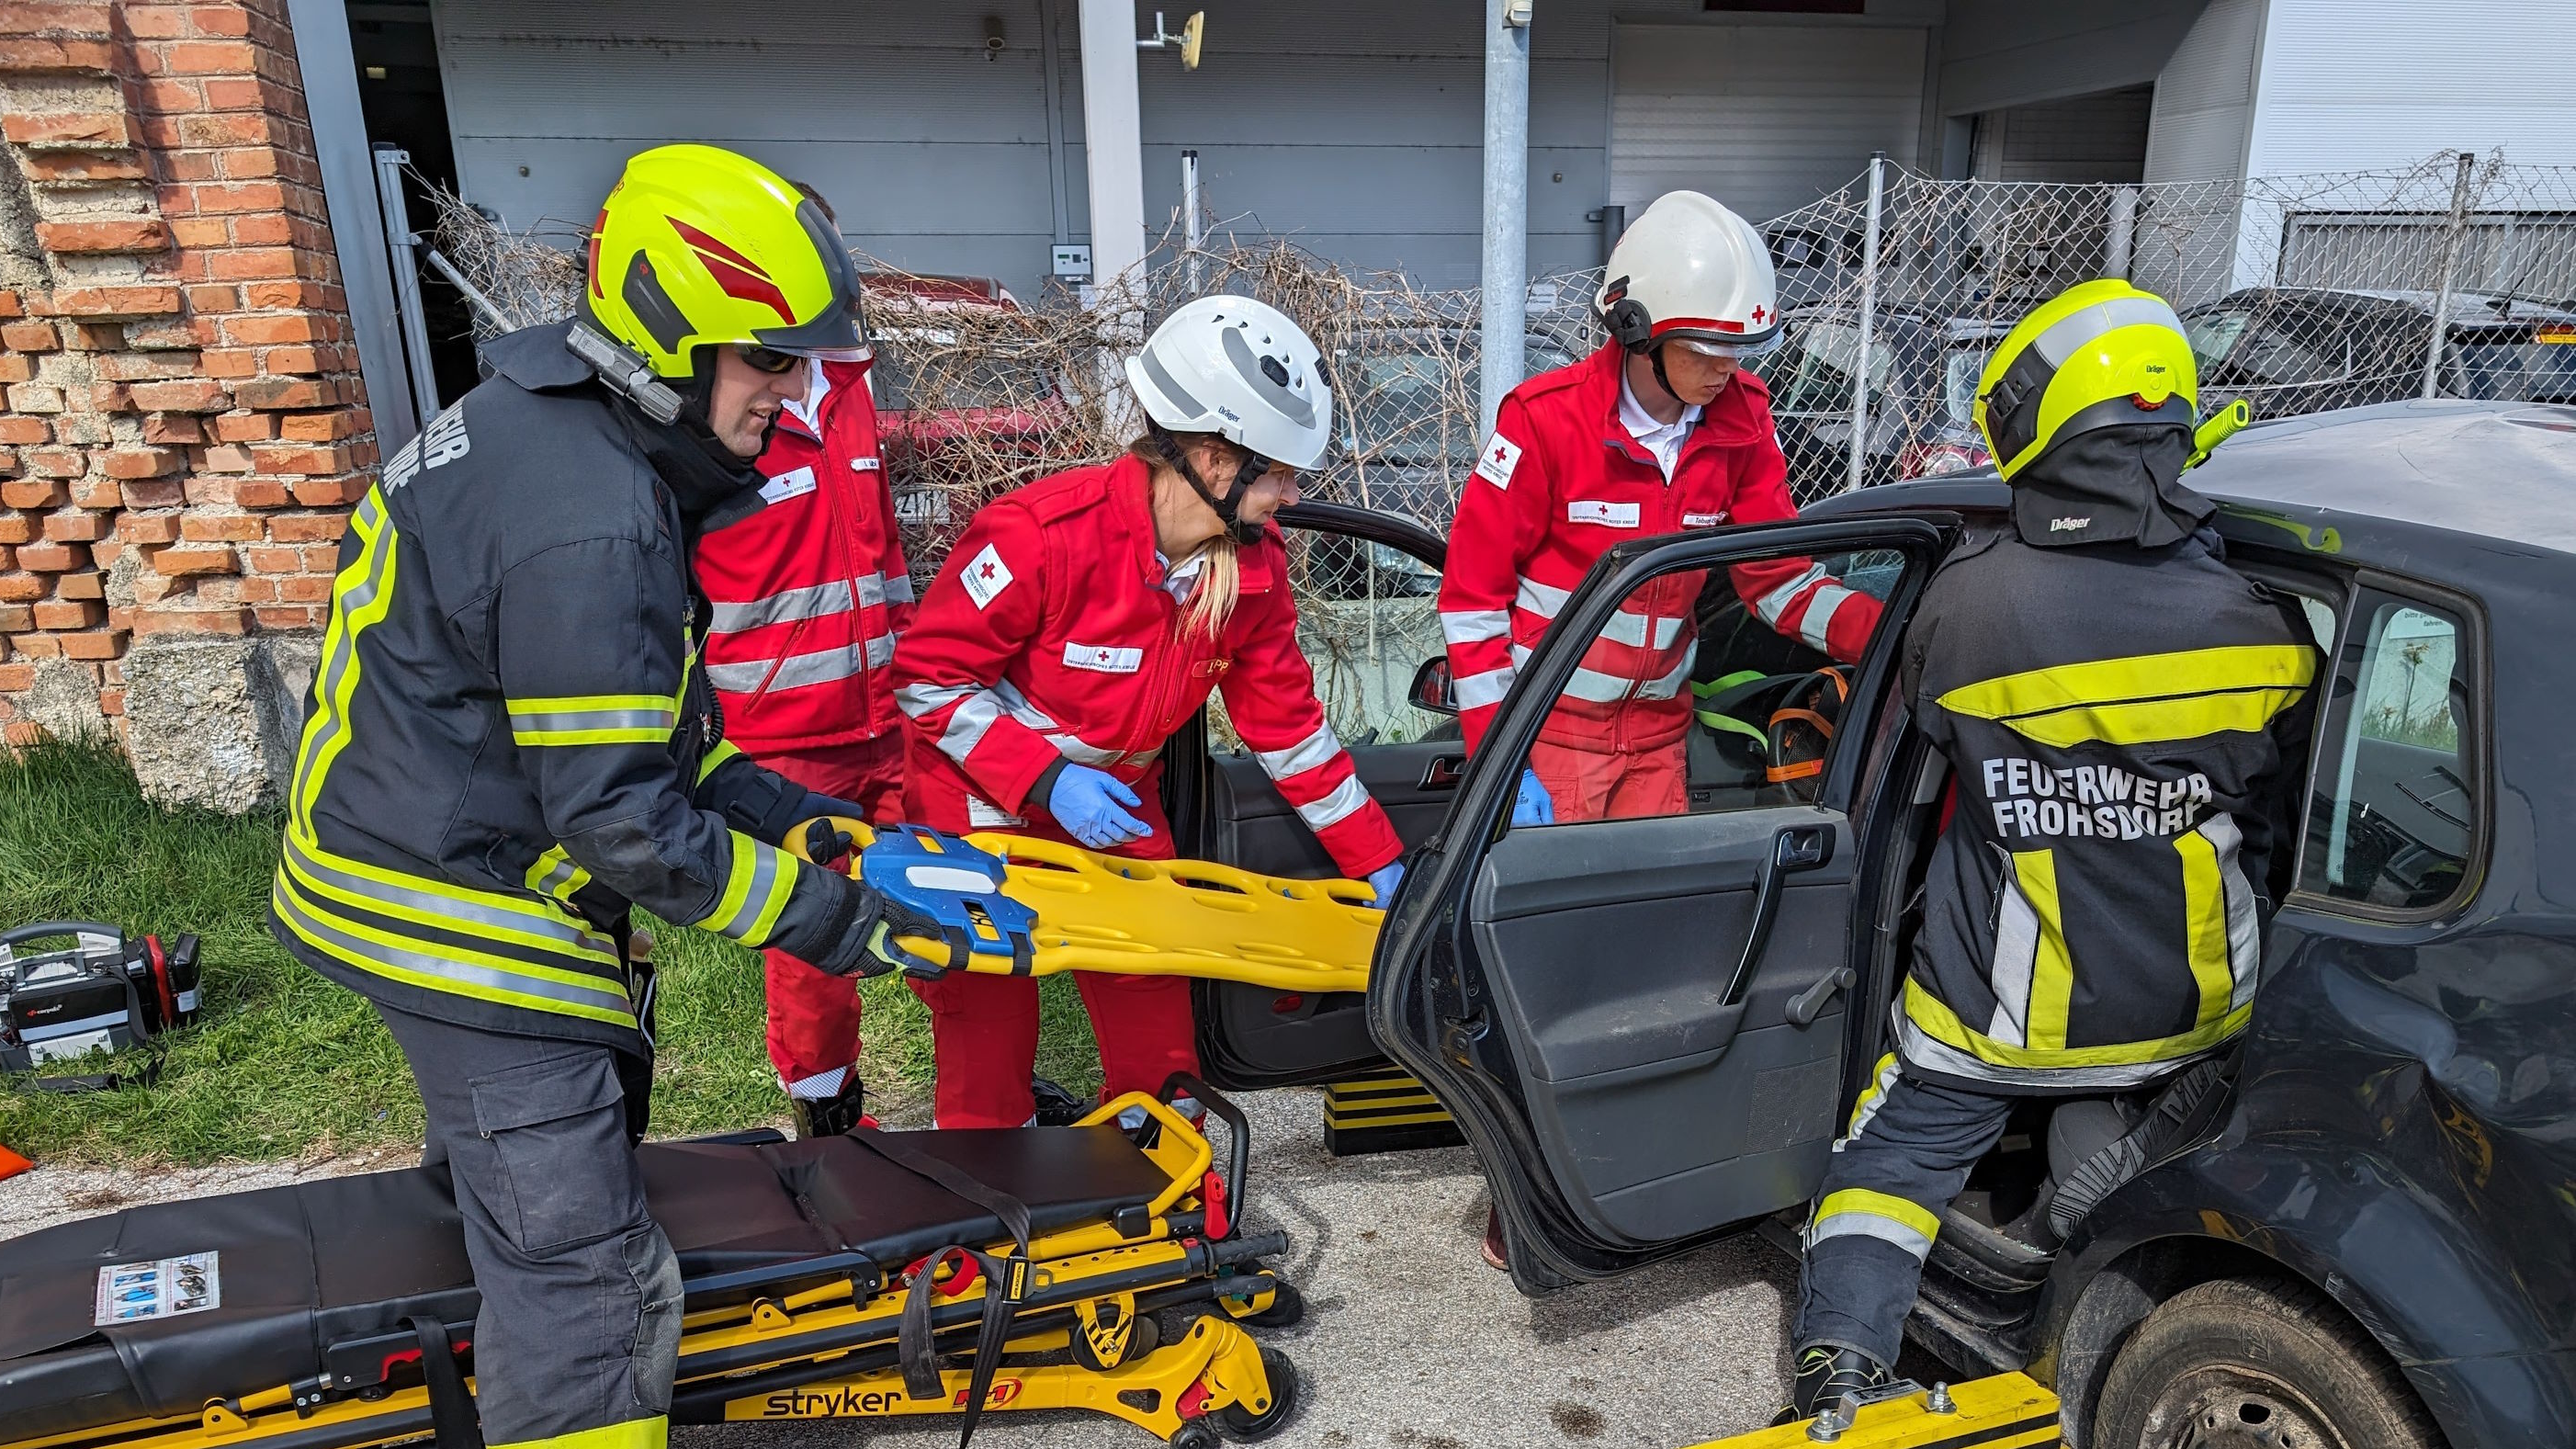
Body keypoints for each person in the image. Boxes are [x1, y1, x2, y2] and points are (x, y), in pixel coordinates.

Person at [270, 144, 953, 1449]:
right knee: (587, 1264)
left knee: (522, 1207)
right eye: (769, 363)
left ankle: (493, 1341)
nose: (787, 399)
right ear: (671, 336)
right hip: (443, 896)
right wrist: (840, 918)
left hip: (393, 846)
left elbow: (653, 747)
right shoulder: (597, 523)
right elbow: (628, 830)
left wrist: (810, 818)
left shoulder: (556, 442)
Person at [1788, 279, 2320, 1421]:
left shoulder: (1970, 609)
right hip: (2200, 1017)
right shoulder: (2264, 619)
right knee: (2111, 1107)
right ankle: (2092, 1193)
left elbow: (1916, 753)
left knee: (1887, 1167)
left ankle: (1842, 1362)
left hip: (2006, 1026)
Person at [892, 294, 1407, 1129]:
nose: (1291, 492)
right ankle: (987, 1206)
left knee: (1155, 1023)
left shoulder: (1253, 573)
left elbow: (1287, 729)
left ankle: (1152, 1192)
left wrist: (1375, 858)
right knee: (987, 1026)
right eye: (1276, 470)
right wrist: (1046, 779)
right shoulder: (1041, 537)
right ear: (1211, 458)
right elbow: (929, 681)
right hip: (981, 806)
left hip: (1117, 808)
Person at [1437, 189, 1883, 829]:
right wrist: (1496, 761)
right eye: (1703, 351)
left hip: (1658, 747)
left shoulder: (1745, 422)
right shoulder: (1544, 422)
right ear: (1638, 333)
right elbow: (1471, 601)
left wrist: (1898, 632)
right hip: (1549, 744)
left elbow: (1780, 582)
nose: (1723, 372)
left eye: (1737, 353)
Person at [692, 182, 917, 1138]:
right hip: (783, 742)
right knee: (811, 935)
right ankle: (826, 1111)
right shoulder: (715, 401)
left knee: (942, 894)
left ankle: (983, 1092)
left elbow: (881, 557)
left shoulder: (853, 388)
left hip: (894, 723)